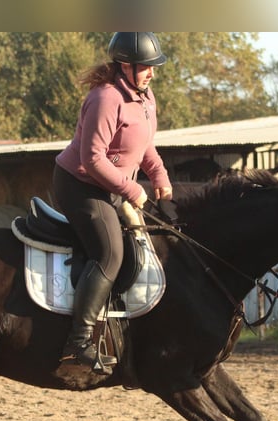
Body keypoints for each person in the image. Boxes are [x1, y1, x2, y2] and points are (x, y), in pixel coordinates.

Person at [52, 32, 173, 370]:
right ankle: (77, 342)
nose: (152, 73)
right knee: (110, 253)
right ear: (125, 65)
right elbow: (93, 159)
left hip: (111, 186)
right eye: (146, 67)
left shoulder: (144, 97)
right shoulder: (106, 98)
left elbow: (143, 143)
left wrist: (159, 174)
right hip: (80, 186)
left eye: (153, 67)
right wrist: (133, 190)